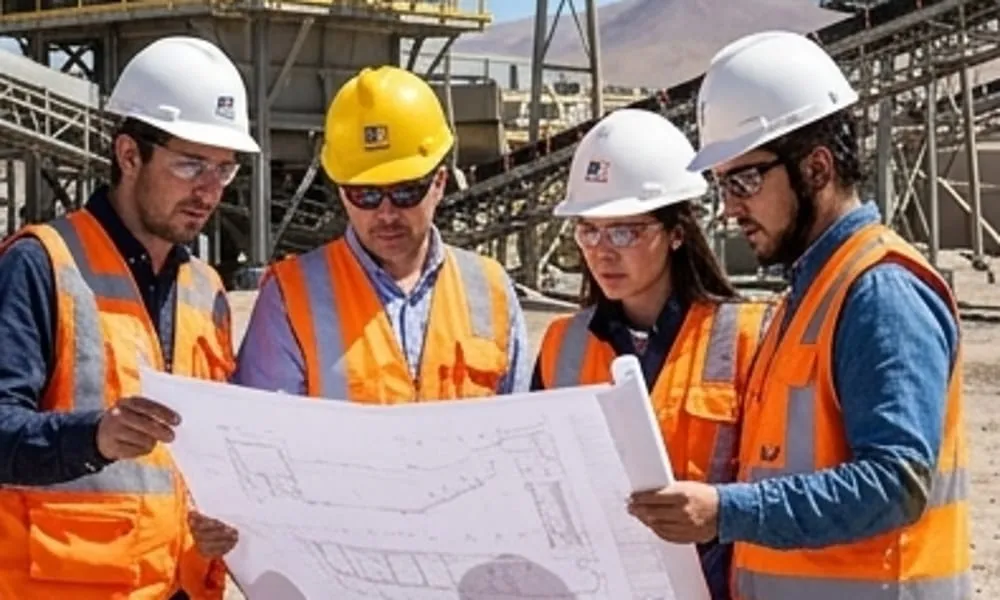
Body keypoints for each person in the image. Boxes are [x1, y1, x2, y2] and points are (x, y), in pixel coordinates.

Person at [628, 30, 971, 598]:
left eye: (743, 180)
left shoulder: (879, 291)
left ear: (816, 169)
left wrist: (726, 512)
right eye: (721, 184)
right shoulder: (809, 295)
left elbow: (895, 484)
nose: (729, 207)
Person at [0, 36, 255, 599]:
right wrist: (94, 436)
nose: (209, 190)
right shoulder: (41, 265)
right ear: (129, 154)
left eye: (224, 170)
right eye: (191, 165)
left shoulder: (206, 290)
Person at [531, 107, 774, 599]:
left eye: (625, 231)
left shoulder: (748, 338)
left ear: (676, 233)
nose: (602, 251)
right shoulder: (561, 344)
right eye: (589, 230)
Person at [230, 64, 531, 401]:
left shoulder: (490, 290)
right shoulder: (289, 298)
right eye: (366, 195)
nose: (386, 214)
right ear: (342, 192)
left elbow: (519, 420)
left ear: (439, 183)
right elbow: (268, 426)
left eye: (405, 191)